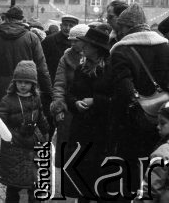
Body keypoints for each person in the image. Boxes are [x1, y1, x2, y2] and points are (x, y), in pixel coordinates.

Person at [109, 3, 169, 200]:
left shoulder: (121, 51)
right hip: (166, 123)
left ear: (127, 27)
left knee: (132, 174)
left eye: (121, 27)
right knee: (160, 171)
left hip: (132, 124)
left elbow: (122, 88)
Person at [61, 28, 113, 201]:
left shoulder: (110, 70)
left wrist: (95, 101)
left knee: (97, 178)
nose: (82, 46)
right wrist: (74, 103)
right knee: (80, 179)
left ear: (96, 47)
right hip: (81, 130)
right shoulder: (81, 68)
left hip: (101, 131)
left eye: (86, 44)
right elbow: (69, 93)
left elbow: (118, 98)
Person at [0, 6, 53, 124]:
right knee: (26, 123)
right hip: (26, 87)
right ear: (21, 20)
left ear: (7, 19)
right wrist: (48, 91)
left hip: (1, 87)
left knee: (5, 126)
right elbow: (42, 67)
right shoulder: (31, 37)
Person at [0, 61, 50, 203]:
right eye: (19, 81)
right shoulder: (7, 100)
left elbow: (41, 117)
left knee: (34, 183)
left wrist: (46, 132)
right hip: (13, 149)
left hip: (32, 146)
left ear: (33, 84)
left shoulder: (36, 98)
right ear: (14, 82)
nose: (22, 85)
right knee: (13, 186)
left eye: (27, 82)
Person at [50, 24, 89, 168]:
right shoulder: (66, 58)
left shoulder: (95, 56)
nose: (72, 44)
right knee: (66, 143)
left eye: (76, 40)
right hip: (69, 106)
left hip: (88, 107)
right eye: (71, 40)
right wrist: (59, 107)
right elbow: (59, 84)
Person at [41, 15, 79, 83]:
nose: (67, 28)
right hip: (53, 81)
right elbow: (42, 63)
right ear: (60, 26)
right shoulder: (49, 40)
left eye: (71, 26)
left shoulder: (80, 42)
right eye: (65, 25)